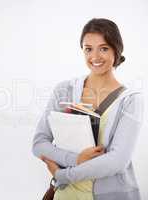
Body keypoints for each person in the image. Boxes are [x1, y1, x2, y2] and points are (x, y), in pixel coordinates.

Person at [32, 18, 144, 200]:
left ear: (117, 50)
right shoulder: (64, 90)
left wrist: (63, 175)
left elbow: (118, 161)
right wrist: (76, 159)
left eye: (104, 48)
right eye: (88, 49)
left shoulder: (131, 100)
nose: (95, 57)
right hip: (67, 195)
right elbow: (39, 143)